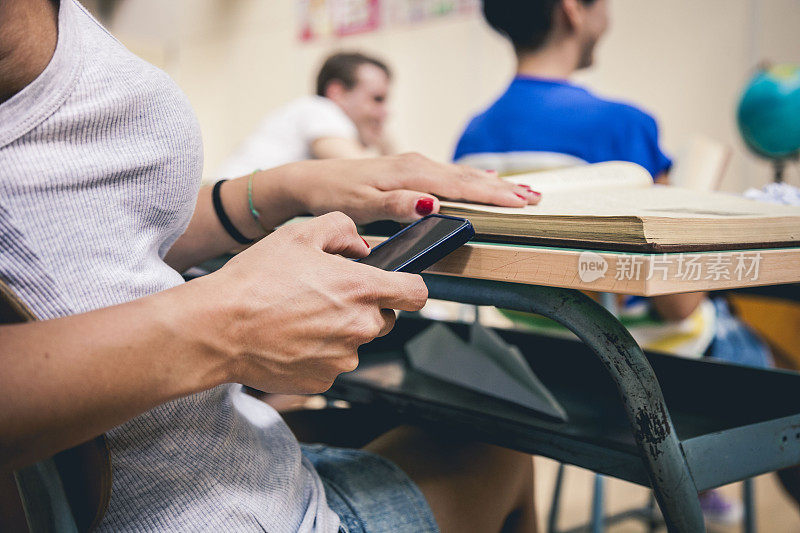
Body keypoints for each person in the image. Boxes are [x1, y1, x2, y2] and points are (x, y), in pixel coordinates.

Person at [0, 0, 542, 531]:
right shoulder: (319, 115)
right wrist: (222, 331)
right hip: (196, 503)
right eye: (375, 97)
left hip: (201, 448)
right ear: (339, 93)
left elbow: (86, 226)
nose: (383, 109)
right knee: (502, 446)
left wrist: (279, 188)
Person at [455, 0, 787, 526]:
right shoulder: (620, 126)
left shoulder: (472, 138)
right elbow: (678, 305)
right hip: (647, 372)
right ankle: (690, 484)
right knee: (775, 361)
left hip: (539, 363)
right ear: (573, 11)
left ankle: (684, 485)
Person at [216, 52, 394, 179]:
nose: (385, 112)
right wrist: (385, 143)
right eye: (377, 99)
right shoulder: (320, 109)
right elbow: (366, 172)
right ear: (337, 93)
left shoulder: (306, 112)